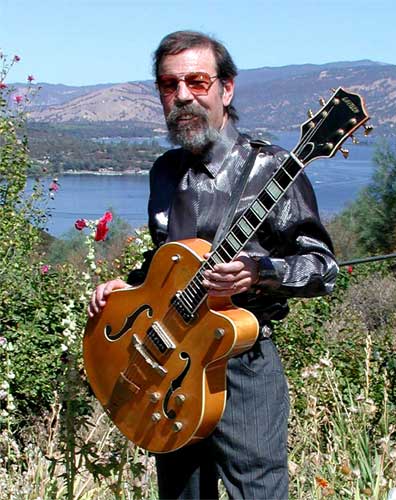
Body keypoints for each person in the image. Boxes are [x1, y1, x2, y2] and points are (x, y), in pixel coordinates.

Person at [88, 30, 338, 500]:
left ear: (227, 88)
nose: (183, 96)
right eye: (169, 85)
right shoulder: (164, 172)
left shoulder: (272, 169)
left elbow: (323, 268)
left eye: (198, 82)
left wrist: (261, 272)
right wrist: (128, 289)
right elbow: (165, 264)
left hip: (240, 366)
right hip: (171, 367)